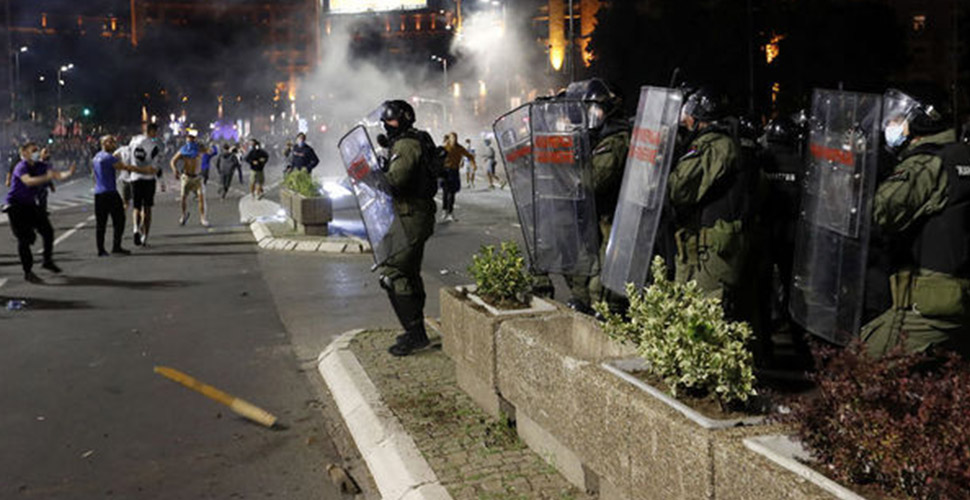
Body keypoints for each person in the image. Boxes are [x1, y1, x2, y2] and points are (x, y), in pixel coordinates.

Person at [862, 86, 970, 357]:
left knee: (861, 361)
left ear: (921, 120)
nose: (889, 125)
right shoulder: (960, 155)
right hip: (959, 294)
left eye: (896, 119)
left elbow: (880, 211)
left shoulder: (925, 164)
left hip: (935, 301)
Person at [668, 87, 754, 316]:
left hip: (715, 247)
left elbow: (679, 188)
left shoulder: (716, 145)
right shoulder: (720, 142)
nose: (684, 121)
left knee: (704, 315)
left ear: (697, 117)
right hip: (702, 243)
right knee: (687, 311)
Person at [561, 78, 631, 315]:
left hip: (610, 220)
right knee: (579, 278)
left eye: (595, 110)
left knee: (601, 288)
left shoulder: (616, 138)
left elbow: (595, 180)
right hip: (590, 219)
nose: (591, 116)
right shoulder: (594, 138)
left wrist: (574, 158)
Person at [377, 100, 437, 356]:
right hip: (410, 213)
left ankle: (415, 335)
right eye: (386, 121)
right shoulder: (413, 140)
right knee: (409, 273)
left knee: (393, 272)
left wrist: (370, 175)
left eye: (391, 120)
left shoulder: (407, 144)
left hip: (412, 213)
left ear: (403, 119)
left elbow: (396, 181)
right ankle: (417, 331)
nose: (387, 125)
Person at [3, 142, 76, 282]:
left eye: (37, 150)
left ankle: (47, 261)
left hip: (30, 205)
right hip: (16, 206)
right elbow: (28, 181)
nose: (37, 153)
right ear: (24, 153)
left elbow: (57, 175)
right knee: (25, 240)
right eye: (34, 150)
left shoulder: (40, 165)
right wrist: (46, 178)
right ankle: (28, 272)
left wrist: (69, 173)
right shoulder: (21, 166)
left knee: (48, 231)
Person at [93, 135, 154, 256]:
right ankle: (116, 246)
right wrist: (145, 170)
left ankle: (101, 249)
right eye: (110, 141)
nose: (113, 143)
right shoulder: (109, 158)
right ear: (104, 144)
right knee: (119, 219)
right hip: (110, 193)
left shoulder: (96, 157)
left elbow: (94, 175)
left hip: (98, 193)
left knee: (101, 223)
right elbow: (126, 167)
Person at [127, 122, 164, 246]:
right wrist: (156, 173)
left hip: (135, 179)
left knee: (136, 207)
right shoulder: (153, 145)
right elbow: (154, 167)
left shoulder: (133, 141)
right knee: (147, 208)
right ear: (152, 131)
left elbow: (129, 159)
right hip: (148, 179)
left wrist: (132, 170)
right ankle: (145, 237)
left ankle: (136, 229)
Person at [169, 131, 209, 226]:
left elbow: (210, 151)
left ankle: (203, 218)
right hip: (186, 177)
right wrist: (175, 170)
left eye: (192, 137)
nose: (190, 139)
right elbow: (172, 161)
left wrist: (204, 145)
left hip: (198, 177)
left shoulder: (199, 149)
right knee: (183, 198)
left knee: (201, 198)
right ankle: (183, 215)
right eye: (189, 137)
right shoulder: (183, 150)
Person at [440, 132, 475, 222]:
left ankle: (450, 212)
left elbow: (469, 156)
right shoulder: (445, 147)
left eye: (456, 137)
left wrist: (473, 164)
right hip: (445, 171)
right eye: (452, 138)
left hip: (454, 171)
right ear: (449, 138)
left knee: (452, 193)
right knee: (445, 192)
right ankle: (444, 211)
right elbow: (438, 158)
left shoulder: (459, 148)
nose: (454, 139)